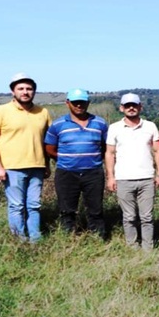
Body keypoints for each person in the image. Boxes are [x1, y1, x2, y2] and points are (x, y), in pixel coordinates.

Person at [0, 73, 52, 243]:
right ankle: (19, 241)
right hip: (12, 167)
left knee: (34, 205)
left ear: (34, 91)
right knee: (17, 206)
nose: (25, 92)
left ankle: (35, 240)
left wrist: (47, 164)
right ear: (13, 91)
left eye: (29, 88)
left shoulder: (42, 112)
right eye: (21, 88)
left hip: (37, 166)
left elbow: (47, 142)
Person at [44, 88, 108, 237]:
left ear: (88, 103)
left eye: (82, 102)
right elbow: (49, 148)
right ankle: (68, 238)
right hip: (66, 172)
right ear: (68, 103)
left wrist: (94, 159)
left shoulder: (100, 123)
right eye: (75, 102)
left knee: (95, 209)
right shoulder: (58, 125)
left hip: (93, 172)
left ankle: (98, 237)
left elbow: (106, 147)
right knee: (67, 209)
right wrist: (67, 159)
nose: (79, 105)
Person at [105, 93, 159, 250]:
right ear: (121, 108)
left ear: (140, 107)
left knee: (147, 217)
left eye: (134, 105)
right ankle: (132, 246)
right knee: (129, 217)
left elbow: (158, 151)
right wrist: (110, 177)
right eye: (127, 105)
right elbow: (109, 153)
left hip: (147, 178)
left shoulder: (150, 126)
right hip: (123, 178)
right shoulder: (114, 128)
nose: (131, 108)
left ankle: (148, 248)